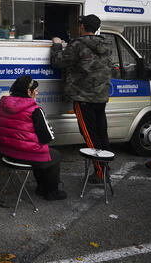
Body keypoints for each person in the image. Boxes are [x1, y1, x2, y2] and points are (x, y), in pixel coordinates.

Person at [50, 14, 113, 183]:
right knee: (101, 133)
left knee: (90, 135)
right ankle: (105, 167)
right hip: (101, 97)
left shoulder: (77, 45)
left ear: (82, 27)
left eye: (80, 25)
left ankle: (100, 173)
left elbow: (58, 62)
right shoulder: (106, 44)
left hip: (83, 97)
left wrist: (56, 45)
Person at [0, 75, 66, 200]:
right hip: (25, 155)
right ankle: (51, 192)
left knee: (40, 152)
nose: (37, 92)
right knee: (53, 155)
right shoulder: (35, 110)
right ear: (29, 92)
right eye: (36, 90)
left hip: (6, 153)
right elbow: (46, 138)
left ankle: (41, 188)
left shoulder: (3, 104)